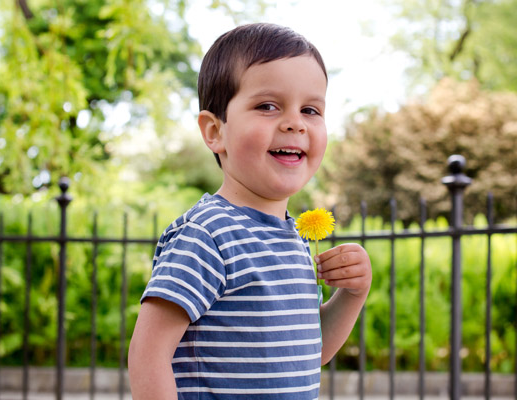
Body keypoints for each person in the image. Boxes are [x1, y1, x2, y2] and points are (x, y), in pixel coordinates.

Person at [128, 22, 372, 399]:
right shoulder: (208, 233)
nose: (295, 123)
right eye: (268, 106)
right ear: (215, 131)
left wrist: (353, 295)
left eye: (310, 109)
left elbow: (309, 352)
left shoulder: (291, 237)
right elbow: (148, 355)